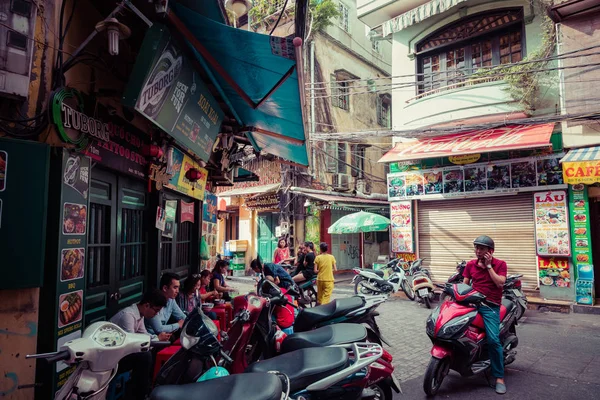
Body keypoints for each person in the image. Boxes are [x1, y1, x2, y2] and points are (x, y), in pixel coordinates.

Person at [463, 235, 507, 395]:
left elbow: (500, 283)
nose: (478, 251)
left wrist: (489, 267)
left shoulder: (500, 264)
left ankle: (499, 377)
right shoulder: (470, 265)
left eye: (481, 248)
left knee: (494, 340)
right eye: (476, 248)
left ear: (490, 251)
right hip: (472, 305)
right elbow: (464, 285)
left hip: (490, 307)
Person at [110, 289, 170, 400]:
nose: (155, 314)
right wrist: (156, 338)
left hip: (123, 353)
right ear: (147, 305)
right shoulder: (128, 316)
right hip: (112, 358)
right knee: (144, 356)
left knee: (156, 348)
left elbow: (144, 335)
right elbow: (132, 345)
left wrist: (158, 339)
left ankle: (149, 387)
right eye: (156, 311)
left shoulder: (140, 315)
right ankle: (139, 395)